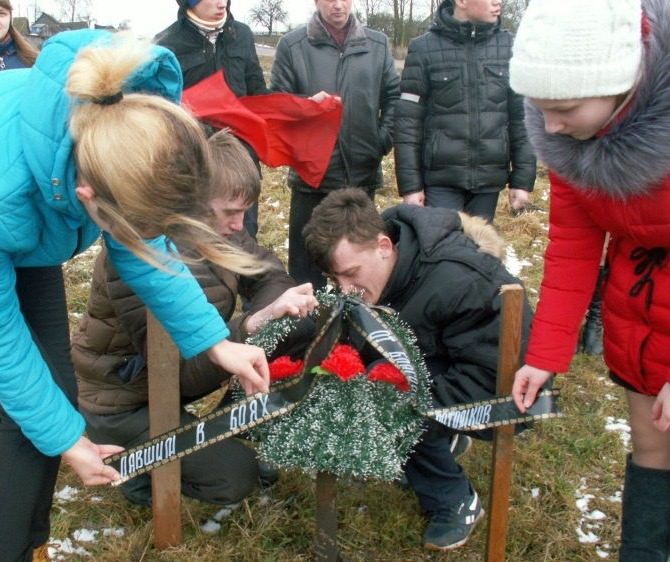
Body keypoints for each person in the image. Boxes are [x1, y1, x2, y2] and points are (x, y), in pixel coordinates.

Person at [0, 30, 271, 562]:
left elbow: (143, 245)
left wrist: (217, 344)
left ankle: (30, 543)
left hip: (27, 222)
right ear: (88, 195)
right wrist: (67, 441)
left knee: (54, 401)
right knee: (30, 417)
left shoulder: (122, 135)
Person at [72, 130, 317, 507]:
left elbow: (271, 275)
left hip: (177, 382)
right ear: (195, 200)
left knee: (295, 324)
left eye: (245, 212)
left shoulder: (221, 232)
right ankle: (136, 470)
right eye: (230, 212)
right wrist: (250, 325)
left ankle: (222, 428)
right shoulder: (140, 257)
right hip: (122, 401)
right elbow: (176, 371)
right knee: (234, 479)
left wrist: (265, 315)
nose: (240, 225)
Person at [508, 0, 670, 559]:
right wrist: (545, 353)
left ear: (620, 86)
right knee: (654, 446)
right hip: (644, 307)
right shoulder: (569, 139)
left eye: (565, 108)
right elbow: (574, 248)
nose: (549, 127)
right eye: (539, 109)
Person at [303, 188, 532, 550]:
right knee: (376, 382)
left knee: (388, 398)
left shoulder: (459, 282)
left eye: (350, 274)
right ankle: (442, 440)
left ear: (383, 246)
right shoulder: (393, 261)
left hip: (504, 387)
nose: (346, 289)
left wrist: (407, 407)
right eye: (336, 280)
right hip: (448, 357)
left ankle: (455, 500)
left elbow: (496, 371)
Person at [269, 0, 400, 289]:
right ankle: (308, 328)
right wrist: (306, 107)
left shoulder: (377, 45)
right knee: (306, 268)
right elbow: (277, 105)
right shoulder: (293, 46)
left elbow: (393, 98)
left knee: (358, 264)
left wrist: (380, 141)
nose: (337, 5)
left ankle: (352, 325)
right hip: (312, 178)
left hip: (361, 173)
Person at [393, 0, 536, 222]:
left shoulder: (510, 47)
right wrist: (411, 187)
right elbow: (407, 122)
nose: (498, 2)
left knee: (478, 251)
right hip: (440, 181)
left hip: (488, 181)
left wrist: (522, 180)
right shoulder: (424, 49)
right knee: (443, 251)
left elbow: (522, 119)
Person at [155, 0, 267, 238]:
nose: (221, 2)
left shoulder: (242, 35)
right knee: (197, 239)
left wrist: (304, 104)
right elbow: (161, 110)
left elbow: (259, 95)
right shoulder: (167, 43)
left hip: (240, 159)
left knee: (243, 235)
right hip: (194, 162)